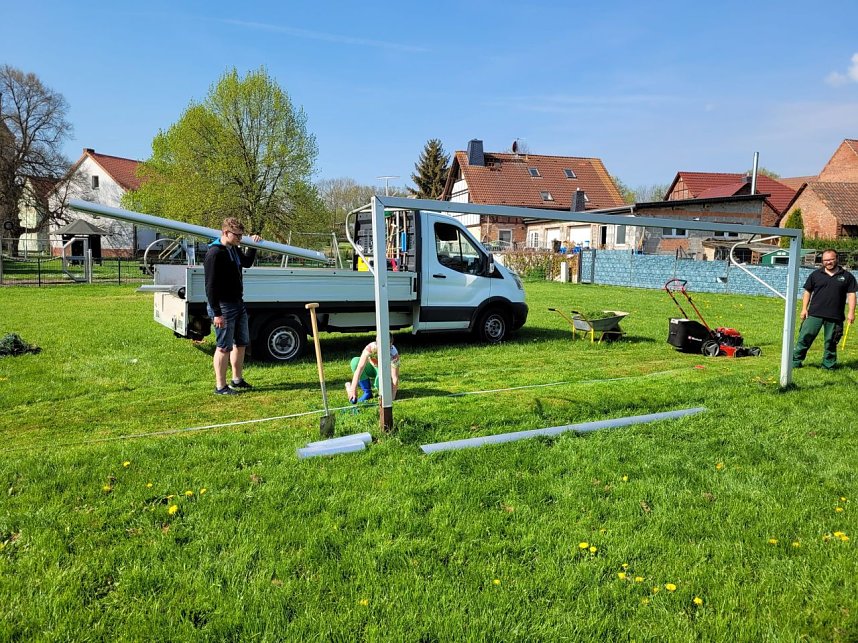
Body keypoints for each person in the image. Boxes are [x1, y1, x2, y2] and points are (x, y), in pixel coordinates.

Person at [204, 217, 262, 394]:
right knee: (223, 347)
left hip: (238, 303)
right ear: (225, 232)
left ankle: (237, 380)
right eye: (237, 235)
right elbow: (210, 286)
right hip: (223, 306)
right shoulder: (215, 253)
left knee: (241, 343)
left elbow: (246, 263)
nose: (240, 238)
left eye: (242, 235)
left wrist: (253, 245)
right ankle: (220, 386)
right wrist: (217, 313)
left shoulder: (233, 249)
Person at [793, 249, 856, 370]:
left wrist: (851, 312)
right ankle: (795, 362)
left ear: (837, 259)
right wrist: (804, 309)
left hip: (835, 315)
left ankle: (828, 366)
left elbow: (852, 294)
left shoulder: (847, 276)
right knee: (804, 338)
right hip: (814, 313)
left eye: (831, 259)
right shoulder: (815, 275)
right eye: (825, 260)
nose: (828, 262)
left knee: (831, 342)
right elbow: (807, 292)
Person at [346, 336, 400, 403]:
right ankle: (367, 392)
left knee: (380, 384)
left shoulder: (394, 354)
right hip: (372, 368)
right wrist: (353, 389)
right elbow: (360, 367)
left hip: (384, 372)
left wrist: (392, 397)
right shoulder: (371, 347)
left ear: (391, 343)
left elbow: (395, 377)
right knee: (355, 362)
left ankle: (384, 388)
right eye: (378, 343)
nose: (381, 347)